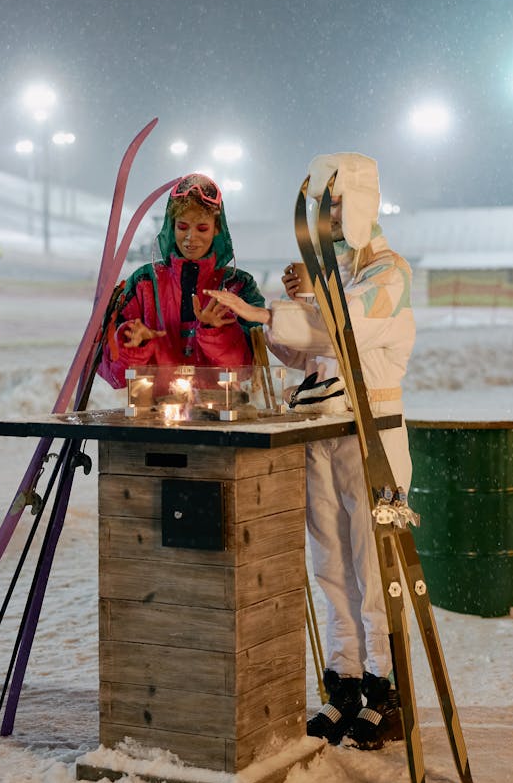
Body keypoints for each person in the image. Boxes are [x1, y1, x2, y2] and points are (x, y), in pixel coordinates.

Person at [206, 152, 415, 750]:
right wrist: (281, 313)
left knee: (373, 568)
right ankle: (344, 683)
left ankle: (386, 688)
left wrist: (275, 310)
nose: (331, 220)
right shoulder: (338, 277)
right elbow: (305, 355)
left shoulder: (387, 274)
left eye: (339, 206)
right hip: (319, 433)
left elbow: (343, 329)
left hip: (371, 434)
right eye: (325, 210)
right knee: (331, 568)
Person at [99, 173, 266, 389]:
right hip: (154, 415)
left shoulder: (238, 285)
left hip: (222, 414)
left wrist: (216, 330)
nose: (191, 238)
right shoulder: (143, 282)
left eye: (202, 228)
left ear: (217, 229)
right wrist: (135, 342)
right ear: (171, 226)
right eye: (183, 227)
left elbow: (247, 367)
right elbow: (115, 375)